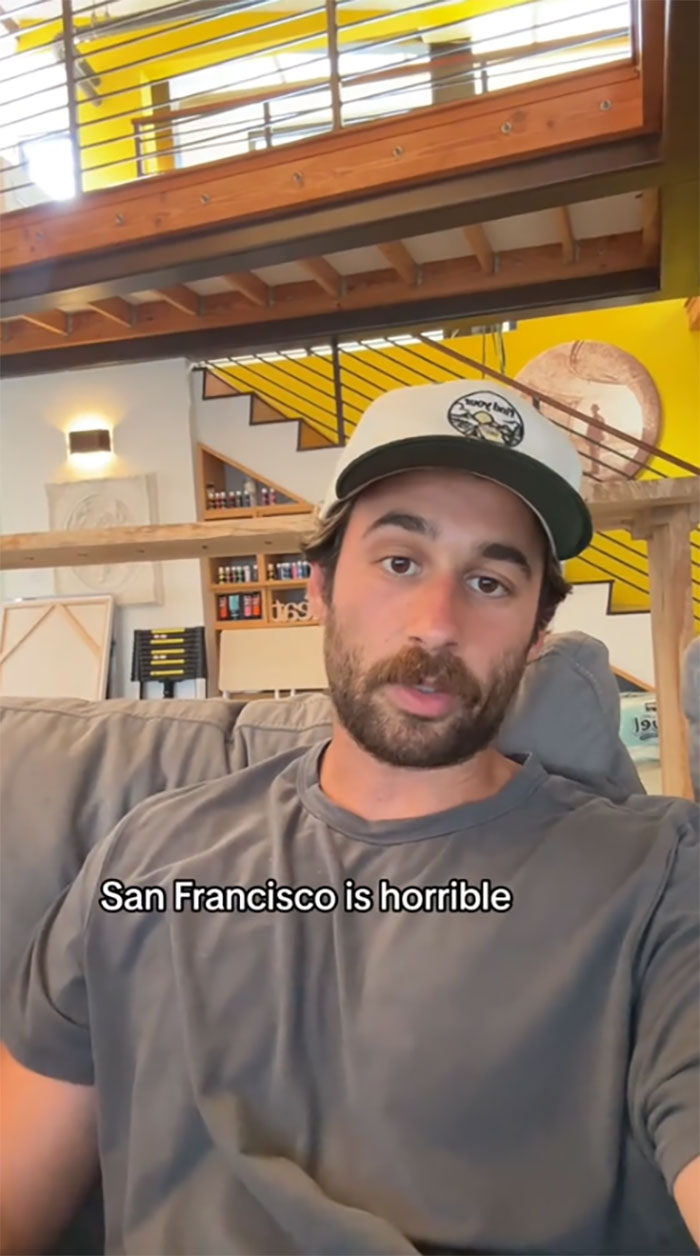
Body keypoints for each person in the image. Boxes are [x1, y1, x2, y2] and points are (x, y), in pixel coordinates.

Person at [1, 380, 698, 1256]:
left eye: (489, 581)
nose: (436, 625)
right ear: (321, 586)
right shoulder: (145, 859)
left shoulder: (657, 878)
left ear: (536, 632)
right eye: (400, 562)